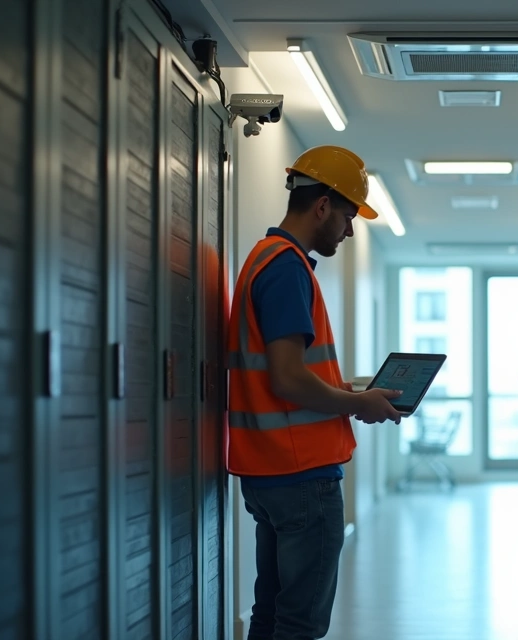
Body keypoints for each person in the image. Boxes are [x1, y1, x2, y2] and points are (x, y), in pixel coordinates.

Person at [226, 145, 404, 640]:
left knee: (271, 615)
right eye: (348, 216)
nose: (349, 230)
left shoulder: (263, 258)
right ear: (323, 205)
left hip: (268, 471)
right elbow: (286, 377)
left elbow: (280, 375)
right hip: (301, 475)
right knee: (299, 623)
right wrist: (356, 403)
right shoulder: (286, 267)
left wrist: (351, 392)